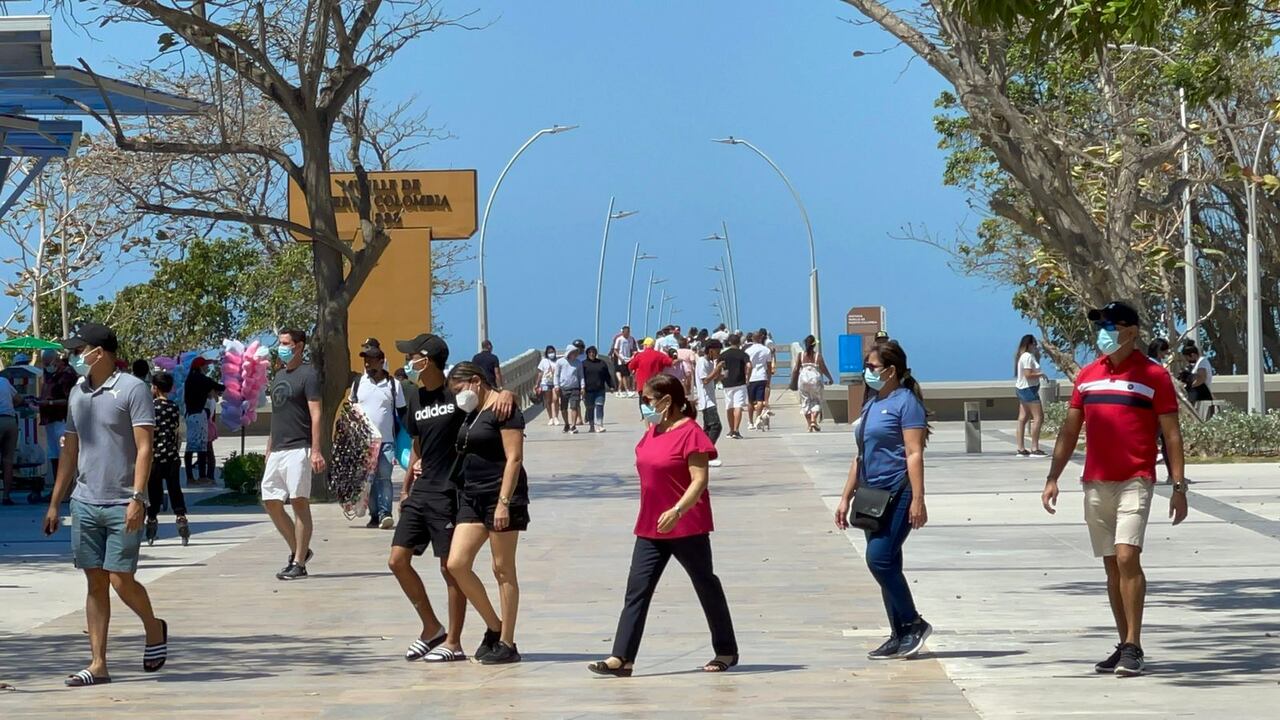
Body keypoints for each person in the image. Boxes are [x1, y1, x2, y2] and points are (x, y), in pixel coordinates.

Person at [1042, 301, 1188, 677]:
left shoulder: (1153, 376)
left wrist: (1178, 485)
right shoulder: (1087, 375)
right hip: (1095, 481)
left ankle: (1135, 645)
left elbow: (1171, 435)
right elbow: (1070, 431)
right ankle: (1123, 643)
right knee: (1110, 564)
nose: (1102, 332)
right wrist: (1052, 477)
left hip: (1136, 479)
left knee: (1127, 557)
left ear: (1131, 331)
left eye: (1110, 325)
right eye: (1100, 326)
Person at [41, 322, 167, 687]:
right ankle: (98, 664)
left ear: (100, 352)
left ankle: (153, 627)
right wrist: (55, 504)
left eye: (79, 350)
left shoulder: (133, 389)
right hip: (84, 502)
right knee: (95, 582)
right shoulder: (77, 393)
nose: (74, 357)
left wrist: (138, 498)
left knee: (120, 579)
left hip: (122, 502)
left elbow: (145, 448)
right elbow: (70, 449)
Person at [587, 373, 737, 677]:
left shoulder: (691, 433)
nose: (644, 405)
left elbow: (700, 481)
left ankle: (726, 650)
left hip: (685, 525)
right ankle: (622, 657)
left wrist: (678, 510)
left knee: (705, 583)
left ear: (667, 401)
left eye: (648, 400)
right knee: (637, 589)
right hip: (650, 525)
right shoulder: (653, 431)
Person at [390, 334, 516, 663]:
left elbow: (487, 400)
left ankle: (454, 641)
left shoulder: (456, 392)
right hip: (421, 489)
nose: (409, 362)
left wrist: (506, 392)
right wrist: (405, 487)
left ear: (428, 359)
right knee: (397, 560)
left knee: (450, 567)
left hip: (451, 491)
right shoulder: (415, 398)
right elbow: (418, 446)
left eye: (413, 356)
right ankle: (431, 627)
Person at [835, 339, 933, 660]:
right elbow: (860, 455)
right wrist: (845, 497)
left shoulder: (907, 403)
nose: (867, 372)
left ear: (891, 370)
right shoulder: (872, 403)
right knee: (888, 563)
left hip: (898, 490)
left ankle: (914, 623)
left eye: (872, 367)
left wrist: (918, 498)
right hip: (871, 493)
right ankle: (898, 633)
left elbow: (914, 452)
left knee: (878, 558)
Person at [445, 362, 530, 665]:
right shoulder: (472, 411)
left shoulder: (505, 410)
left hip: (501, 495)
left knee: (502, 568)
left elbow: (514, 458)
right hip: (472, 495)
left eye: (459, 389)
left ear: (476, 381)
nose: (458, 396)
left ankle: (508, 641)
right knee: (457, 563)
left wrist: (504, 502)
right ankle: (494, 627)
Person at [264, 329, 324, 581]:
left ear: (299, 346)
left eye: (286, 343)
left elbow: (316, 413)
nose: (282, 347)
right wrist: (268, 447)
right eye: (280, 343)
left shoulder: (309, 375)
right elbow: (277, 414)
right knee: (271, 501)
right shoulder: (278, 375)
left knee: (299, 502)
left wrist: (316, 449)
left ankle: (298, 562)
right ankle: (299, 549)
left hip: (299, 448)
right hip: (277, 448)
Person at [353, 343, 406, 530]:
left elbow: (402, 412)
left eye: (371, 360)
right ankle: (374, 515)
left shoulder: (393, 385)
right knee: (369, 480)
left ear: (381, 361)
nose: (367, 363)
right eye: (365, 360)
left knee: (384, 477)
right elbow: (353, 409)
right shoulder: (359, 383)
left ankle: (385, 513)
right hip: (365, 442)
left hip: (386, 442)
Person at [145, 372, 188, 546]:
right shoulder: (174, 407)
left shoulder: (149, 408)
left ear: (154, 387)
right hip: (171, 456)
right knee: (174, 489)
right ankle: (181, 518)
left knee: (154, 491)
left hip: (154, 457)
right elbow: (178, 431)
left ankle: (152, 521)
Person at [40, 351, 78, 497]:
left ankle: (65, 490)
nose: (46, 366)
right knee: (54, 455)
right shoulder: (51, 375)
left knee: (64, 455)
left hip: (61, 420)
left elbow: (69, 400)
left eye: (48, 363)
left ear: (56, 360)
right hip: (50, 420)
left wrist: (49, 402)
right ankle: (58, 490)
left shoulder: (67, 375)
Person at [183, 357, 224, 487]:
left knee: (190, 447)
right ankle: (202, 476)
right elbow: (219, 387)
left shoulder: (189, 379)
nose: (207, 368)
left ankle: (190, 477)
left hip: (189, 415)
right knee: (201, 447)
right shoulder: (202, 379)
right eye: (205, 366)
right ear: (200, 367)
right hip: (199, 415)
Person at [792, 335, 834, 432]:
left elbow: (795, 369)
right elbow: (823, 368)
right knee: (817, 400)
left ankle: (809, 424)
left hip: (803, 380)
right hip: (815, 380)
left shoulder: (801, 355)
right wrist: (830, 378)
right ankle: (813, 420)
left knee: (805, 401)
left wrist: (793, 382)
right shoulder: (817, 356)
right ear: (814, 345)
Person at [1013, 334, 1046, 457]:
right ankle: (1034, 448)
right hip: (1028, 389)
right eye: (1034, 344)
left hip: (1022, 389)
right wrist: (1041, 374)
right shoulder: (1027, 356)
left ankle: (1021, 448)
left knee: (1023, 417)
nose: (1035, 346)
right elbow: (1028, 374)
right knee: (1038, 417)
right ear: (1029, 344)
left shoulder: (1024, 356)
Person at [695, 339, 724, 468]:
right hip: (706, 401)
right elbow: (705, 380)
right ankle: (707, 455)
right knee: (716, 426)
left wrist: (719, 377)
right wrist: (717, 369)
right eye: (717, 352)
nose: (718, 354)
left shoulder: (710, 363)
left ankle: (700, 454)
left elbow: (711, 381)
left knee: (707, 429)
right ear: (711, 350)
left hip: (711, 398)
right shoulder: (702, 362)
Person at [627, 337, 673, 417]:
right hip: (656, 382)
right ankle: (655, 413)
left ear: (645, 345)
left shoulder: (640, 355)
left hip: (642, 383)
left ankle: (644, 416)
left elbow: (631, 366)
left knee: (643, 400)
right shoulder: (659, 355)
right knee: (655, 398)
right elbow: (669, 362)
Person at [717, 335, 750, 440]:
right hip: (740, 383)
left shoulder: (723, 354)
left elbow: (717, 368)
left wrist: (720, 379)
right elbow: (749, 365)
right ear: (739, 342)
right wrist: (747, 377)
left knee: (729, 407)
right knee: (738, 406)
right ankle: (736, 430)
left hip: (727, 383)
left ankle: (731, 430)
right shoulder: (743, 354)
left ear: (729, 342)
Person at [582, 346, 616, 433]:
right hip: (588, 391)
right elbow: (580, 377)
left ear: (596, 353)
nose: (592, 354)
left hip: (600, 390)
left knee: (599, 406)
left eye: (593, 352)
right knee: (590, 408)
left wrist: (611, 385)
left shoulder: (602, 363)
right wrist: (581, 388)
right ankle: (592, 425)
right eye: (590, 352)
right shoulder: (583, 364)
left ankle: (600, 425)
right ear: (587, 354)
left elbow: (607, 376)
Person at [744, 333, 773, 431]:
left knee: (750, 401)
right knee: (760, 400)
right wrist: (769, 378)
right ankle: (758, 418)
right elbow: (769, 366)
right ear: (761, 338)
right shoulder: (766, 350)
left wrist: (745, 377)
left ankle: (751, 422)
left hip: (751, 377)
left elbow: (746, 366)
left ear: (752, 338)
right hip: (762, 376)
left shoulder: (748, 350)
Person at [1179, 343, 1215, 420]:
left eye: (1187, 358)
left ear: (1192, 355)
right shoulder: (1198, 363)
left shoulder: (1202, 362)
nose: (1188, 361)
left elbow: (1201, 378)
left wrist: (1189, 388)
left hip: (1202, 395)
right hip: (1198, 394)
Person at [0, 372, 20, 505]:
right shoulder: (4, 381)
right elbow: (18, 399)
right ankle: (6, 496)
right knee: (8, 461)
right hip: (10, 421)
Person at [555, 344, 585, 434]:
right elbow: (556, 375)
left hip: (575, 388)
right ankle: (566, 424)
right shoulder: (560, 362)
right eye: (574, 352)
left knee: (574, 406)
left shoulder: (578, 363)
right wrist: (556, 385)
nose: (575, 354)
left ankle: (573, 426)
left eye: (576, 352)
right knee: (563, 408)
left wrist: (583, 386)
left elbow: (581, 376)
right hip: (563, 388)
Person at [612, 326, 639, 398]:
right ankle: (627, 390)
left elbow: (631, 349)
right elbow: (615, 350)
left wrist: (633, 355)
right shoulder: (619, 339)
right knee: (624, 375)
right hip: (621, 360)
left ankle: (623, 390)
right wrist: (620, 358)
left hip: (628, 359)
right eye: (626, 332)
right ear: (623, 332)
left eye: (628, 332)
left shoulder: (631, 339)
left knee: (628, 375)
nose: (627, 334)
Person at [537, 346, 560, 427]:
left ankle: (556, 417)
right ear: (547, 353)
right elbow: (540, 373)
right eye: (549, 352)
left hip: (555, 382)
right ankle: (550, 418)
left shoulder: (558, 361)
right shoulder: (544, 361)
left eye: (552, 351)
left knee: (555, 399)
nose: (551, 353)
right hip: (545, 382)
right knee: (548, 401)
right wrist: (537, 384)